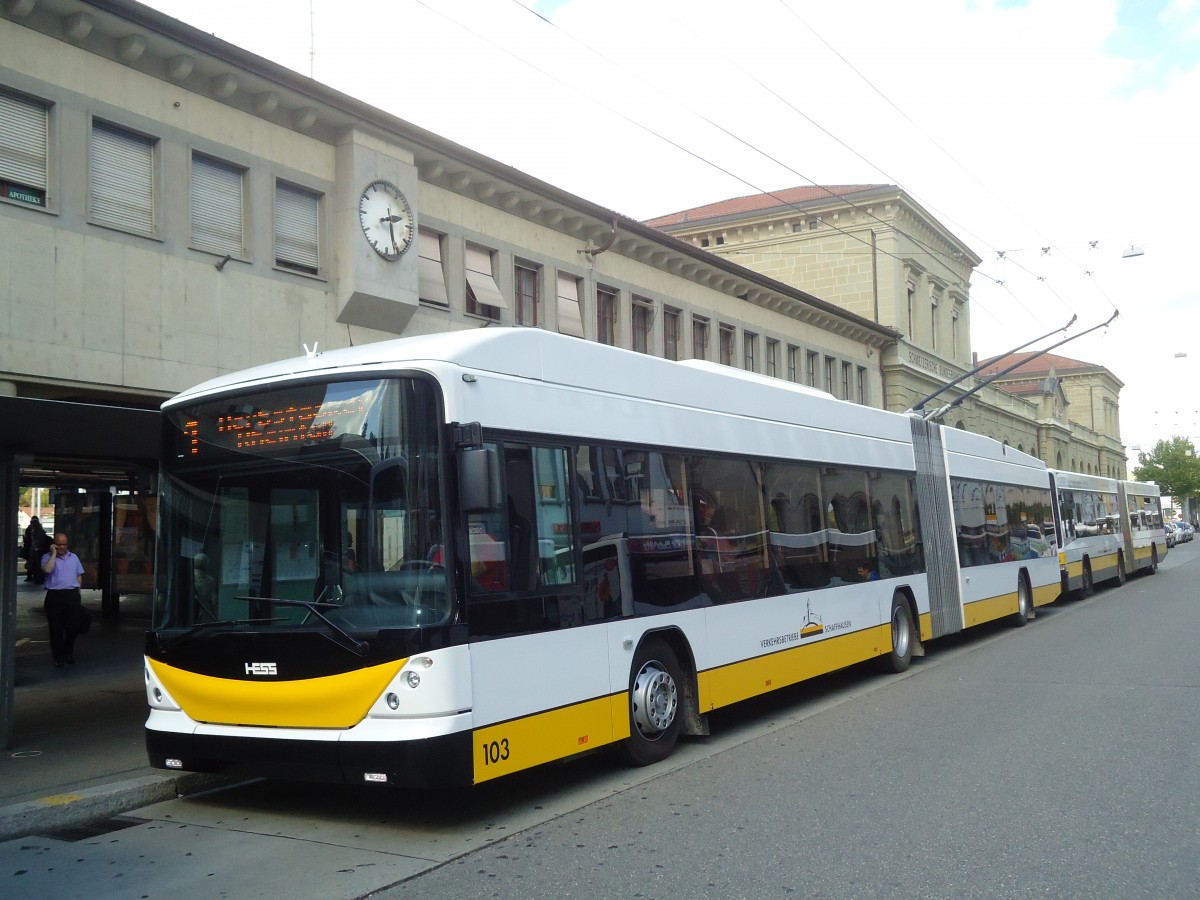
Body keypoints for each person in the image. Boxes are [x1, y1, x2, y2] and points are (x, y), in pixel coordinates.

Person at [41, 532, 86, 667]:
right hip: (55, 596)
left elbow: (79, 575)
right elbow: (48, 570)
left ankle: (68, 651)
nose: (62, 547)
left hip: (71, 595)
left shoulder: (74, 558)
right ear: (54, 544)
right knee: (56, 628)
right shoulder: (47, 557)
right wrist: (53, 554)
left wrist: (78, 591)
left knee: (73, 626)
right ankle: (58, 657)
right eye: (59, 544)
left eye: (64, 544)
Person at [23, 515, 49, 584]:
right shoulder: (41, 531)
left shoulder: (33, 532)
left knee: (36, 565)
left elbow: (33, 542)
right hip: (38, 550)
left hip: (36, 551)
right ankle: (37, 578)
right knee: (38, 565)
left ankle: (36, 578)